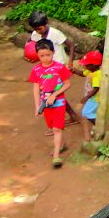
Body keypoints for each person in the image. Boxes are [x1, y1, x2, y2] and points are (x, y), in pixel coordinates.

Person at [28, 10, 80, 125]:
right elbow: (32, 46)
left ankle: (56, 123)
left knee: (52, 93)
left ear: (46, 23)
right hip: (45, 67)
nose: (38, 31)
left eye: (39, 28)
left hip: (58, 67)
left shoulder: (55, 33)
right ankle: (70, 116)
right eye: (35, 29)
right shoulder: (35, 34)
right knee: (52, 93)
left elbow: (71, 45)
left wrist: (70, 62)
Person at [29, 38, 72, 168]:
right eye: (42, 56)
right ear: (37, 55)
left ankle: (56, 156)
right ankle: (62, 144)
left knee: (56, 129)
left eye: (48, 55)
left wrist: (54, 94)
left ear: (53, 52)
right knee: (52, 127)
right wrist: (37, 106)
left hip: (59, 103)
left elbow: (67, 84)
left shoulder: (59, 67)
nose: (45, 58)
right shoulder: (36, 70)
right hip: (45, 105)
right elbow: (36, 88)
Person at [71, 50, 102, 139]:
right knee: (93, 112)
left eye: (87, 64)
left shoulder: (97, 74)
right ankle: (98, 125)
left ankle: (100, 127)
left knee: (86, 112)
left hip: (95, 98)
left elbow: (96, 88)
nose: (85, 66)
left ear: (94, 65)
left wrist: (87, 97)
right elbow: (82, 74)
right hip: (92, 97)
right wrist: (74, 70)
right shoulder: (91, 71)